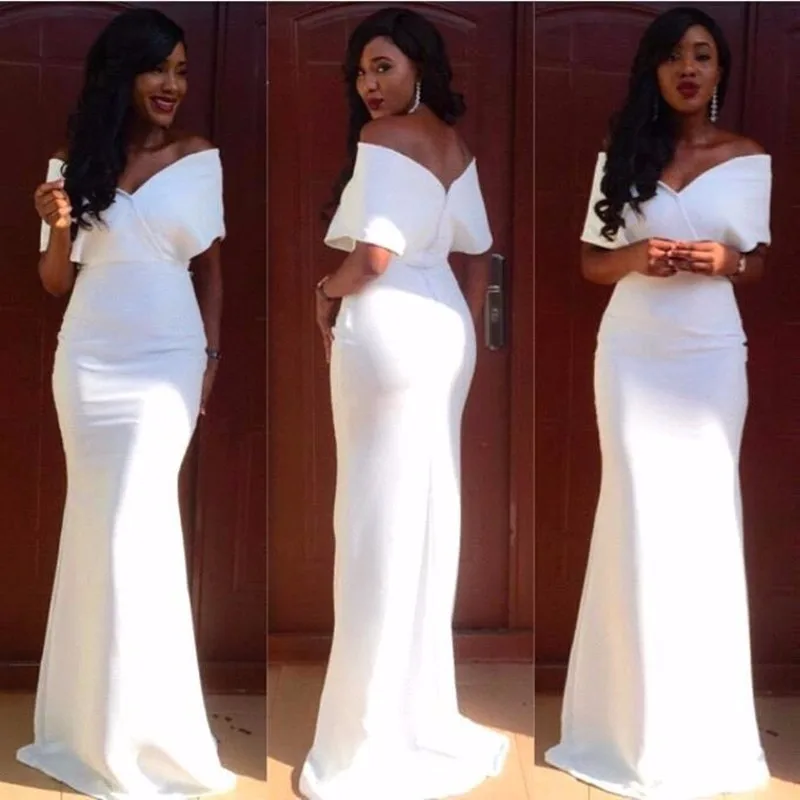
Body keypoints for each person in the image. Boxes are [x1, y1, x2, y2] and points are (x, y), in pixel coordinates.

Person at [544, 7, 772, 799]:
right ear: (653, 69)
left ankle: (704, 728)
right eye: (674, 56)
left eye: (702, 55)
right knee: (637, 520)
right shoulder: (624, 153)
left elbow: (759, 262)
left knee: (705, 527)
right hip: (633, 355)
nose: (688, 68)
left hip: (710, 358)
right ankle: (626, 727)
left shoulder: (747, 157)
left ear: (719, 71)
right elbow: (589, 262)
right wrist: (636, 256)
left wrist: (726, 261)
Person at [18, 9, 235, 799]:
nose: (173, 84)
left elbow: (212, 272)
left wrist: (209, 361)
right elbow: (55, 282)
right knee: (97, 528)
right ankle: (88, 729)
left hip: (169, 356)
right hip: (87, 358)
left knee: (133, 527)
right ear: (122, 75)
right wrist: (55, 226)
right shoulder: (75, 160)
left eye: (181, 69)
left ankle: (150, 734)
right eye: (157, 69)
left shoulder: (199, 157)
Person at [301, 7, 509, 800]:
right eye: (361, 71)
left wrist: (326, 292)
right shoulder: (456, 146)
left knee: (372, 520)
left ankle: (366, 736)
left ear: (420, 66)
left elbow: (374, 258)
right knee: (423, 518)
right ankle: (414, 714)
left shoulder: (384, 138)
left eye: (383, 66)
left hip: (388, 327)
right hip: (443, 330)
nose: (369, 83)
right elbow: (478, 252)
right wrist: (464, 328)